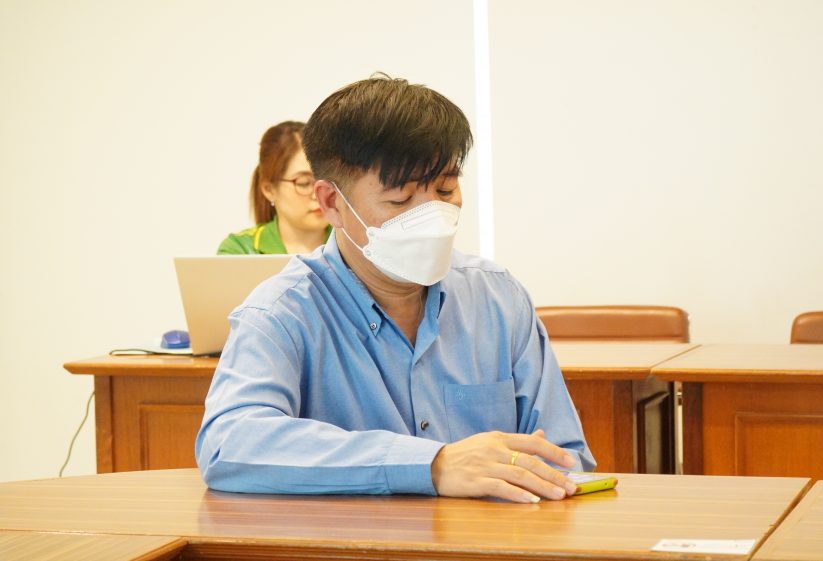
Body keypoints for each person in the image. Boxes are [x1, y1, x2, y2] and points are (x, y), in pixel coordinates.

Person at [196, 76, 595, 504]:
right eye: (401, 201)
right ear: (331, 203)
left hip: (491, 535)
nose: (432, 217)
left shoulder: (497, 298)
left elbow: (564, 459)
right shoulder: (282, 312)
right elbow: (229, 443)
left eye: (445, 190)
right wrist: (432, 464)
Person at [217, 121, 331, 254]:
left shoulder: (350, 242)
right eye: (304, 183)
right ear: (269, 190)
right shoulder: (239, 250)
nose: (318, 194)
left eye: (326, 180)